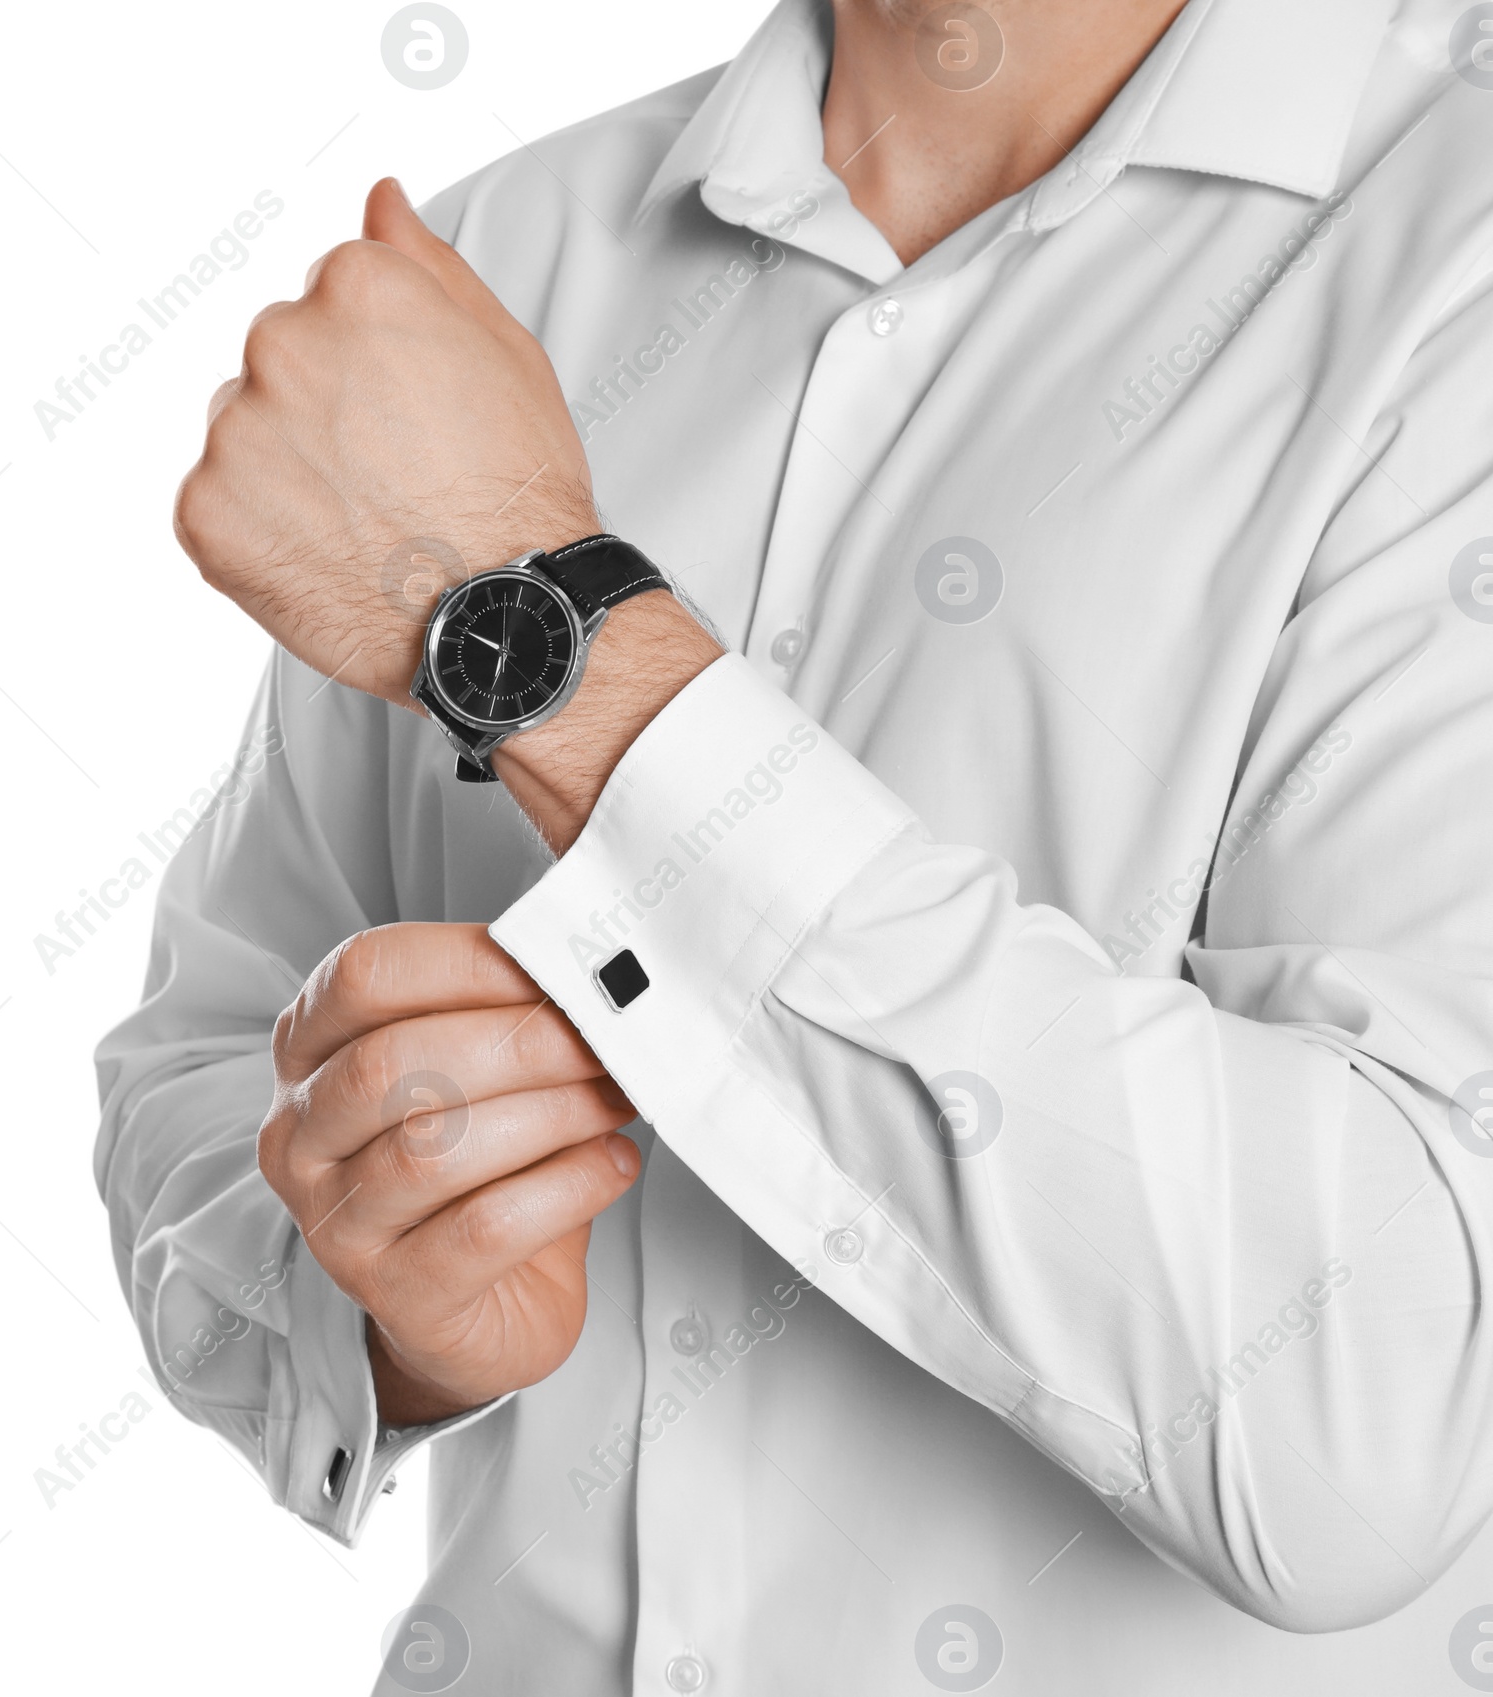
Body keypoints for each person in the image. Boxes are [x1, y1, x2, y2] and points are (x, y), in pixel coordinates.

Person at [95, 0, 1493, 1688]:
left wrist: (552, 636)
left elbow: (1369, 1421)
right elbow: (206, 1054)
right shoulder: (502, 258)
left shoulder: (1453, 250)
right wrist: (385, 1310)